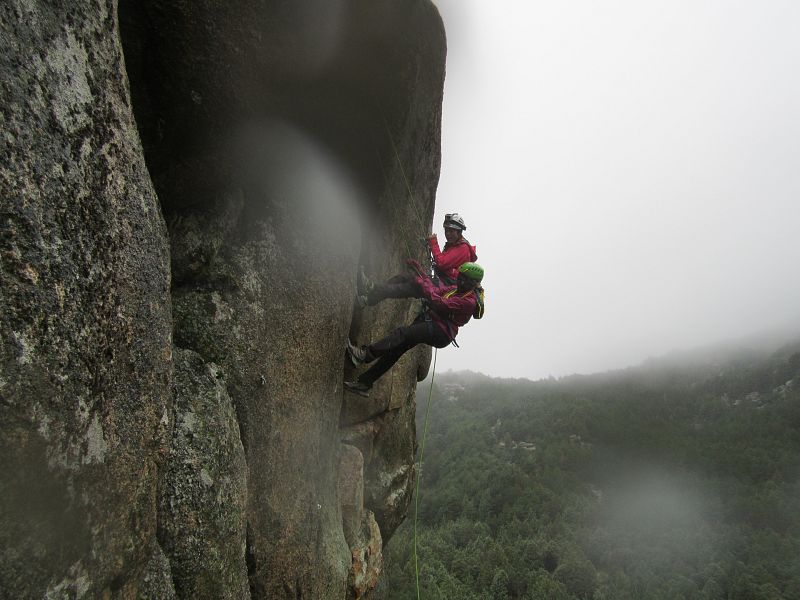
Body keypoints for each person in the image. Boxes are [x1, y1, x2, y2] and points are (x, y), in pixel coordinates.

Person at [344, 261, 484, 397]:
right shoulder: (457, 289)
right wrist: (423, 279)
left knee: (402, 333)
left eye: (463, 279)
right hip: (432, 322)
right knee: (395, 350)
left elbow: (440, 302)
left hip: (440, 332)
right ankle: (364, 383)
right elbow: (437, 291)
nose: (459, 280)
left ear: (473, 283)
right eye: (459, 277)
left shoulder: (469, 302)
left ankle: (363, 355)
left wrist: (424, 284)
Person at [357, 212, 477, 307]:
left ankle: (369, 288)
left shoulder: (463, 249)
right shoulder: (455, 246)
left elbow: (441, 263)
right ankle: (369, 297)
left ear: (459, 231)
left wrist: (433, 243)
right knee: (404, 278)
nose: (447, 234)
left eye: (451, 231)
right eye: (446, 230)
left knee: (406, 287)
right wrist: (419, 267)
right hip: (440, 282)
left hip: (443, 286)